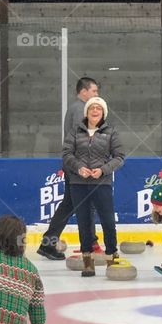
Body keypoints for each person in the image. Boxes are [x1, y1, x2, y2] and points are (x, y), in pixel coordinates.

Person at [37, 77, 101, 260]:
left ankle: (49, 243)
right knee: (81, 203)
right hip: (78, 166)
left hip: (75, 164)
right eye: (94, 91)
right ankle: (89, 243)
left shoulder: (79, 108)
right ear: (83, 92)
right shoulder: (80, 109)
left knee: (71, 204)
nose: (97, 95)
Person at [62, 96, 125, 276]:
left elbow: (119, 157)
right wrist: (78, 168)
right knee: (84, 222)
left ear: (103, 112)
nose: (95, 111)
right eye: (92, 108)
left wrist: (103, 170)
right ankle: (87, 259)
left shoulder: (111, 132)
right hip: (78, 183)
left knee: (108, 221)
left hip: (101, 183)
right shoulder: (75, 132)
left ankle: (111, 255)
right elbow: (67, 154)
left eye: (98, 108)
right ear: (87, 112)